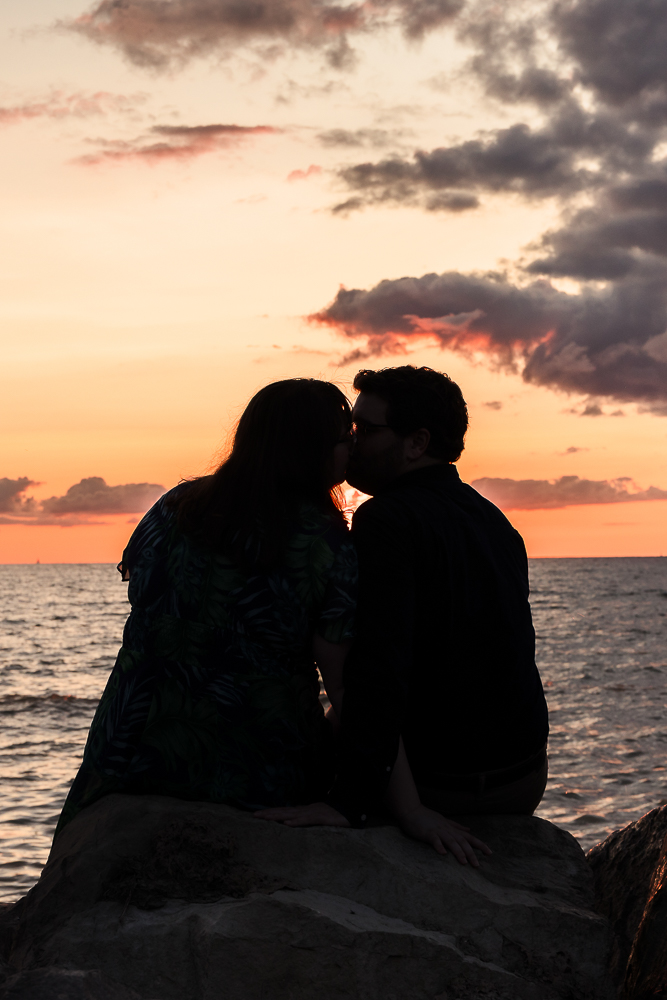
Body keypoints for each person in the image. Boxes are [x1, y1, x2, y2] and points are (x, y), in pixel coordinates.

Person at [256, 366, 548, 866]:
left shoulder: (384, 520)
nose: (352, 439)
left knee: (308, 724)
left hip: (448, 788)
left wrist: (351, 804)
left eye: (366, 430)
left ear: (416, 443)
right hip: (521, 779)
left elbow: (379, 670)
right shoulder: (494, 520)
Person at [55, 378, 357, 835]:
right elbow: (342, 681)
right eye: (345, 439)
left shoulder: (176, 505)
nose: (353, 449)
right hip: (254, 764)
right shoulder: (327, 541)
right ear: (310, 449)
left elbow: (142, 589)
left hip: (131, 746)